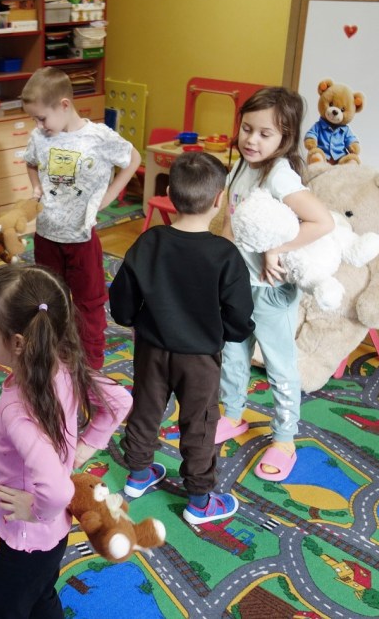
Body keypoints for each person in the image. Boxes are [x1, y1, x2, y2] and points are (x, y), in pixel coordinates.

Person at [0, 264, 132, 619]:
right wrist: (85, 448)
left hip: (27, 537)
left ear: (18, 342)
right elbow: (120, 400)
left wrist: (36, 511)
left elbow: (58, 491)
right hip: (52, 533)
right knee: (41, 593)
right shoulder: (64, 365)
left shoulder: (17, 410)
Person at [108, 152, 254, 523]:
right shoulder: (225, 254)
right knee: (199, 423)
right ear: (219, 200)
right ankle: (200, 501)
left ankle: (138, 475)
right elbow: (239, 313)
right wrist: (228, 333)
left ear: (170, 193)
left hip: (151, 349)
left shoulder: (149, 242)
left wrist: (131, 319)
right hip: (200, 358)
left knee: (145, 409)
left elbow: (122, 299)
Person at [217, 86, 336, 482]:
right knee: (233, 354)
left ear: (285, 138)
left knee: (279, 366)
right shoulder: (241, 166)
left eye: (264, 134)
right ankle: (233, 415)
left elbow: (322, 222)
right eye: (247, 129)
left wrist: (277, 249)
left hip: (270, 289)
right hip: (237, 285)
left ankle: (285, 439)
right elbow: (231, 219)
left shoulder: (281, 175)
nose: (251, 139)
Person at [21, 67, 142, 370]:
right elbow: (31, 162)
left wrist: (110, 194)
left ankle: (91, 365)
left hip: (81, 238)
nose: (38, 125)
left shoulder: (98, 137)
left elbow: (134, 159)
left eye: (42, 118)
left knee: (89, 302)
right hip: (46, 235)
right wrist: (36, 186)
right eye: (34, 119)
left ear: (64, 105)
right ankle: (53, 357)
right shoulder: (39, 136)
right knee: (47, 299)